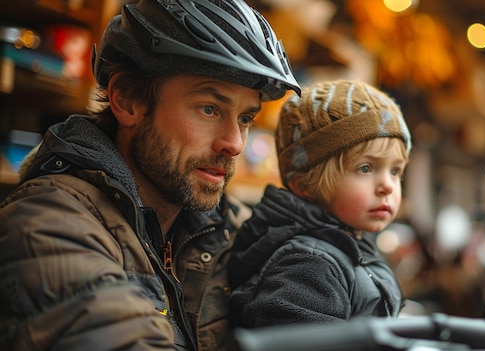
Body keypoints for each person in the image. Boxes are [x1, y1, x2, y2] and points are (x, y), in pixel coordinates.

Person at [0, 0, 300, 350]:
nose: (234, 143)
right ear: (127, 100)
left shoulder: (219, 229)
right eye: (209, 108)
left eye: (245, 118)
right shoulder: (47, 225)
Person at [228, 79, 412, 328]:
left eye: (395, 171)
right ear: (306, 183)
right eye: (366, 168)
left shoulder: (350, 246)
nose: (387, 186)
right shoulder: (308, 265)